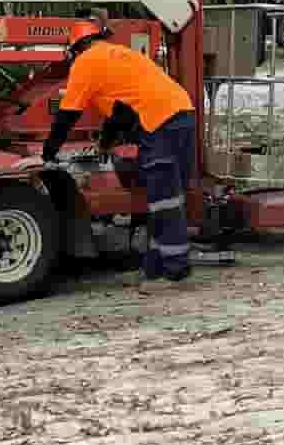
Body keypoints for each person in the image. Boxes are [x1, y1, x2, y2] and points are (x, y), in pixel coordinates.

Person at [42, 18, 199, 283]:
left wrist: (48, 153)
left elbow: (67, 115)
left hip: (157, 121)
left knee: (163, 200)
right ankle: (156, 266)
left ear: (76, 48)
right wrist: (106, 143)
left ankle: (176, 269)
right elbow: (119, 113)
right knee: (171, 196)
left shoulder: (85, 62)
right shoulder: (122, 53)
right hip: (182, 113)